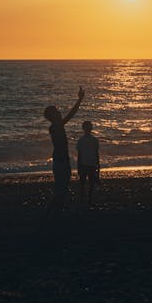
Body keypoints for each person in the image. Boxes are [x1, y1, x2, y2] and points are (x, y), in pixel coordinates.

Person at [43, 86, 85, 217]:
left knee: (61, 190)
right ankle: (54, 214)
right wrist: (79, 100)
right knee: (61, 191)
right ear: (53, 116)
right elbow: (71, 114)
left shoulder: (56, 126)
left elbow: (69, 116)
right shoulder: (56, 126)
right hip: (60, 162)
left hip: (61, 160)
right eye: (57, 111)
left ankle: (52, 213)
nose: (59, 112)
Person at [76, 120, 100, 207]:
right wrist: (98, 165)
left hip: (85, 164)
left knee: (84, 184)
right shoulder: (94, 140)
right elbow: (96, 154)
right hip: (91, 164)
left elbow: (80, 154)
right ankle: (88, 201)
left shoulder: (81, 140)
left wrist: (78, 166)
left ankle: (83, 201)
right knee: (90, 184)